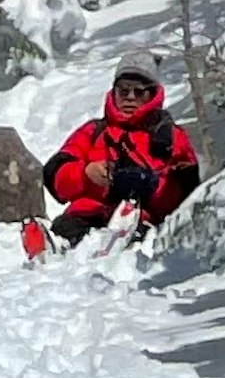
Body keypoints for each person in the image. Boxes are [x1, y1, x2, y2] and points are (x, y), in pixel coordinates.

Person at [18, 68, 201, 258]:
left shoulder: (172, 138)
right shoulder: (93, 131)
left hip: (141, 220)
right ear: (113, 93)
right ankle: (51, 248)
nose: (130, 98)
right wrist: (85, 174)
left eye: (138, 92)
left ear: (151, 95)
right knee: (67, 230)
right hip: (85, 215)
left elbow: (187, 195)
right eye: (123, 91)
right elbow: (56, 177)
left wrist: (151, 186)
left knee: (139, 240)